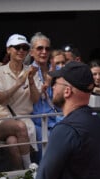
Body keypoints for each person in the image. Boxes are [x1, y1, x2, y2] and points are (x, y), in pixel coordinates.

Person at [0, 34, 41, 170]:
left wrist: (30, 80)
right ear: (8, 50)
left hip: (23, 119)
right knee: (20, 127)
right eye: (17, 47)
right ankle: (29, 167)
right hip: (1, 120)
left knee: (12, 142)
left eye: (24, 47)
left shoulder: (31, 71)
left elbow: (35, 100)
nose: (21, 50)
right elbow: (0, 98)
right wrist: (19, 83)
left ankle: (20, 177)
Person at [29, 32, 60, 161]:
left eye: (47, 48)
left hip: (57, 117)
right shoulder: (28, 71)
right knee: (45, 139)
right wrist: (46, 84)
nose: (44, 51)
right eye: (39, 48)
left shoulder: (57, 70)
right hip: (37, 120)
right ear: (31, 52)